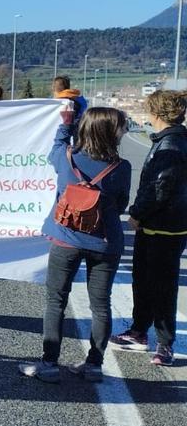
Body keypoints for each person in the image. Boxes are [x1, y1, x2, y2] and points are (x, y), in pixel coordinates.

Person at [19, 107, 131, 384]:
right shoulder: (122, 167)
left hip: (66, 239)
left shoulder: (66, 157)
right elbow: (121, 205)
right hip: (106, 242)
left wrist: (65, 125)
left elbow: (55, 148)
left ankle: (49, 363)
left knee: (56, 301)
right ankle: (94, 365)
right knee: (101, 304)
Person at [111, 90, 187, 366]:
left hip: (164, 227)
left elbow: (160, 188)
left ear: (155, 114)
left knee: (162, 286)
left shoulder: (170, 147)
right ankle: (139, 330)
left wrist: (137, 214)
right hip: (161, 225)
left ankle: (165, 344)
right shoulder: (170, 141)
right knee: (142, 280)